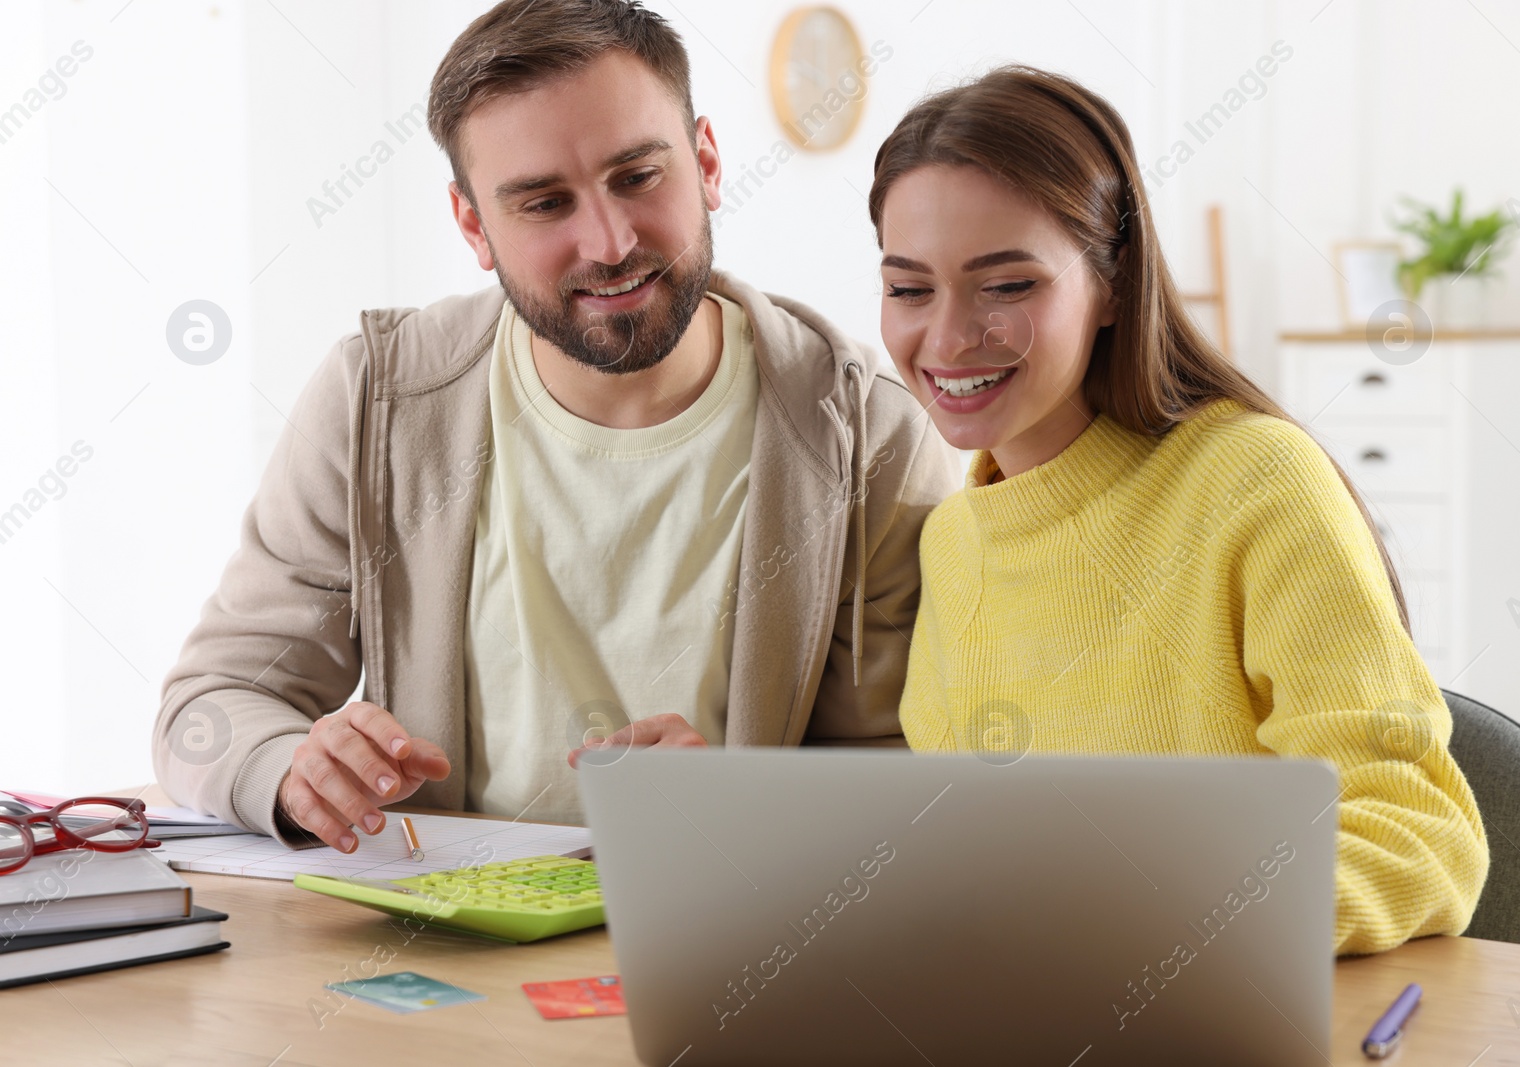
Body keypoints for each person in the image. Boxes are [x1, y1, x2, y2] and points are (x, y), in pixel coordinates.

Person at [152, 0, 957, 853]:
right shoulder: (374, 400)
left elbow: (906, 778)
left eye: (639, 177)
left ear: (708, 162)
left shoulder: (866, 428)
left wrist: (741, 804)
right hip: (441, 948)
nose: (609, 243)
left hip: (729, 946)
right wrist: (287, 766)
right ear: (475, 226)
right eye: (543, 203)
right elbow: (207, 705)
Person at [872, 65, 1489, 957]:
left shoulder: (1253, 481)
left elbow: (1417, 832)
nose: (949, 336)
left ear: (1114, 283)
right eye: (909, 289)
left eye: (1007, 286)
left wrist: (1167, 923)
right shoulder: (954, 540)